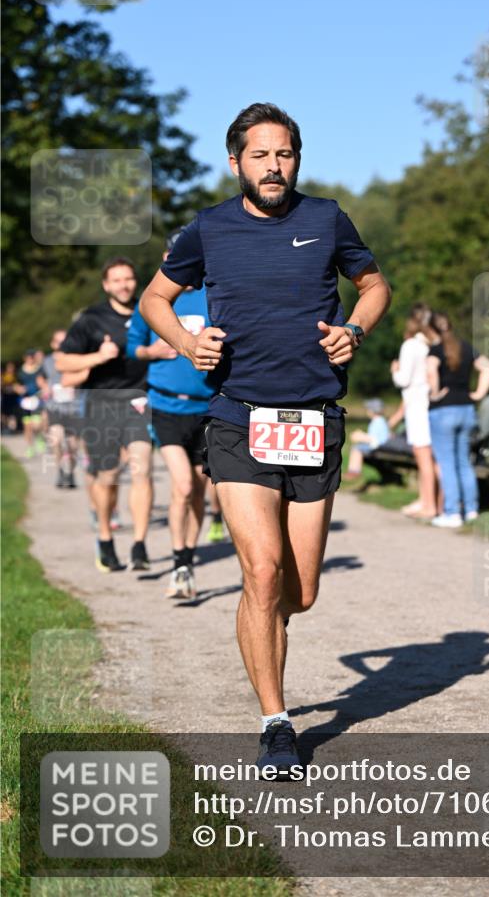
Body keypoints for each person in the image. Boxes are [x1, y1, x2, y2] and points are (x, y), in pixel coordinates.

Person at [140, 102, 391, 772]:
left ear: (296, 159)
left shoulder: (326, 219)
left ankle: (265, 628)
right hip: (237, 416)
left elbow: (374, 286)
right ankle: (275, 722)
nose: (273, 166)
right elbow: (154, 299)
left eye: (284, 154)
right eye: (260, 155)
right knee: (261, 570)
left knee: (298, 593)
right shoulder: (208, 228)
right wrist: (185, 342)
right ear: (236, 162)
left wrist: (355, 329)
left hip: (314, 419)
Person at [127, 229, 215, 600]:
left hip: (206, 407)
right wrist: (154, 351)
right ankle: (179, 562)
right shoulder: (155, 299)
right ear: (167, 258)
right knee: (182, 485)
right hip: (165, 405)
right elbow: (133, 347)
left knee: (197, 492)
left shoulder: (214, 296)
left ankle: (186, 561)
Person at [55, 257, 153, 573]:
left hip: (139, 400)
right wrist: (98, 356)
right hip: (101, 403)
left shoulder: (148, 311)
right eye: (117, 280)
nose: (124, 285)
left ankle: (139, 546)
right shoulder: (91, 319)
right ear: (106, 285)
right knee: (108, 477)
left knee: (142, 469)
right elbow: (62, 363)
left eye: (128, 279)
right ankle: (105, 538)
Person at [426, 311, 489, 528]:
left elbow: (431, 371)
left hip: (443, 410)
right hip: (466, 409)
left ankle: (452, 513)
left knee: (447, 464)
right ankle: (472, 510)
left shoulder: (435, 350)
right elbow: (488, 367)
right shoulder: (466, 347)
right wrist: (479, 394)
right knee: (464, 462)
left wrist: (434, 393)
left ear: (431, 330)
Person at [390, 303, 440, 518]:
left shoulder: (410, 345)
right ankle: (429, 500)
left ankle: (429, 505)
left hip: (416, 404)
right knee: (431, 456)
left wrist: (395, 371)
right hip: (430, 402)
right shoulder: (432, 344)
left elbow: (404, 379)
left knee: (423, 456)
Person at [38, 329, 83, 488]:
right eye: (59, 341)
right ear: (53, 344)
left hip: (73, 407)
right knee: (56, 439)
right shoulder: (47, 361)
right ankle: (60, 471)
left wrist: (74, 385)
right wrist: (45, 387)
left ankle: (70, 473)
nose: (62, 344)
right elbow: (40, 378)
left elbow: (85, 377)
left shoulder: (77, 359)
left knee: (72, 445)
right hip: (54, 406)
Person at [343, 398, 391, 479]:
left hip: (378, 446)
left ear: (372, 411)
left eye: (368, 409)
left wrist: (361, 437)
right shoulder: (380, 421)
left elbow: (374, 439)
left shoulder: (377, 422)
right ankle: (353, 471)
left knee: (356, 448)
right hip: (379, 445)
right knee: (357, 447)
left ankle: (354, 471)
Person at [16, 349, 46, 457]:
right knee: (27, 426)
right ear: (25, 358)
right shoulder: (20, 371)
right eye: (28, 357)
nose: (30, 359)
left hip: (37, 400)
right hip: (25, 401)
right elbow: (16, 385)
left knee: (37, 425)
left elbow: (44, 383)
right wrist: (19, 389)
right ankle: (30, 447)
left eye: (32, 357)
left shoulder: (40, 369)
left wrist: (43, 389)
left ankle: (39, 438)